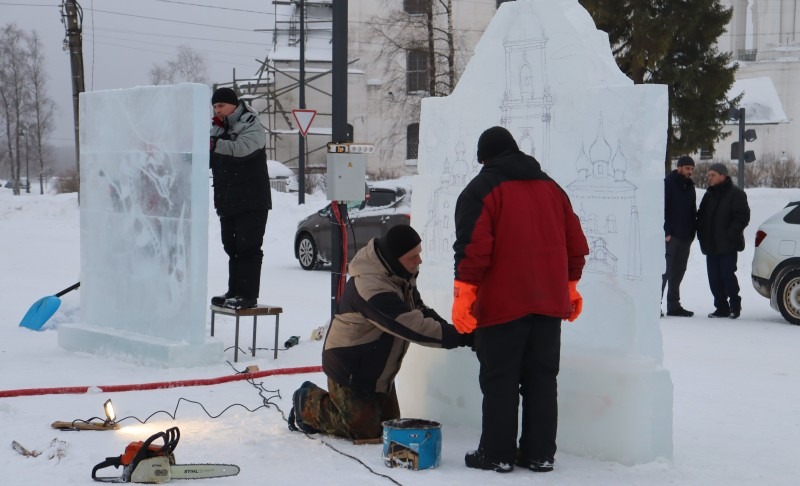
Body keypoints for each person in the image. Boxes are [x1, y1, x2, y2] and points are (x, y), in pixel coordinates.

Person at [452, 126, 589, 473]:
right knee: (542, 379)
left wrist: (463, 296)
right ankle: (539, 454)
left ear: (484, 158)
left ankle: (497, 454)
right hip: (548, 304)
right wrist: (570, 287)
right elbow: (576, 245)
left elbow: (473, 250)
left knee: (501, 379)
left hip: (503, 304)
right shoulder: (552, 188)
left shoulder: (481, 190)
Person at [287, 225, 468, 440]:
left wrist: (456, 329)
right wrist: (461, 336)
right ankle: (308, 402)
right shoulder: (371, 286)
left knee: (389, 427)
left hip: (376, 370)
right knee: (366, 432)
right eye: (413, 256)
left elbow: (417, 309)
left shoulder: (399, 274)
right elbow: (409, 324)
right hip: (350, 367)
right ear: (395, 258)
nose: (419, 260)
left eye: (419, 253)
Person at [209, 87, 271, 310]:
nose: (218, 110)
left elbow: (244, 148)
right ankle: (233, 292)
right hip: (228, 199)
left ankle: (247, 295)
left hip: (252, 199)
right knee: (231, 247)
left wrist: (215, 145)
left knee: (249, 247)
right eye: (215, 106)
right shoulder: (217, 127)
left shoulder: (250, 123)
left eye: (221, 105)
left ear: (234, 105)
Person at [696, 162, 750, 319]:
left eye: (712, 175)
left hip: (728, 245)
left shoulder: (736, 194)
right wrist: (701, 233)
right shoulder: (709, 194)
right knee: (713, 278)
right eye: (708, 175)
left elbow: (742, 217)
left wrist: (730, 234)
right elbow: (701, 216)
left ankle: (735, 305)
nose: (709, 178)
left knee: (727, 276)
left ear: (723, 176)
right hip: (710, 244)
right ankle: (721, 307)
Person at [662, 155, 697, 317]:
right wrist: (667, 232)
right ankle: (655, 304)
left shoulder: (690, 186)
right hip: (671, 236)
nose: (689, 171)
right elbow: (664, 208)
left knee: (678, 272)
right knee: (665, 272)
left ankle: (674, 305)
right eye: (687, 168)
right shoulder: (668, 183)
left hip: (685, 236)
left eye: (691, 168)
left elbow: (692, 210)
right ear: (679, 167)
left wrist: (692, 232)